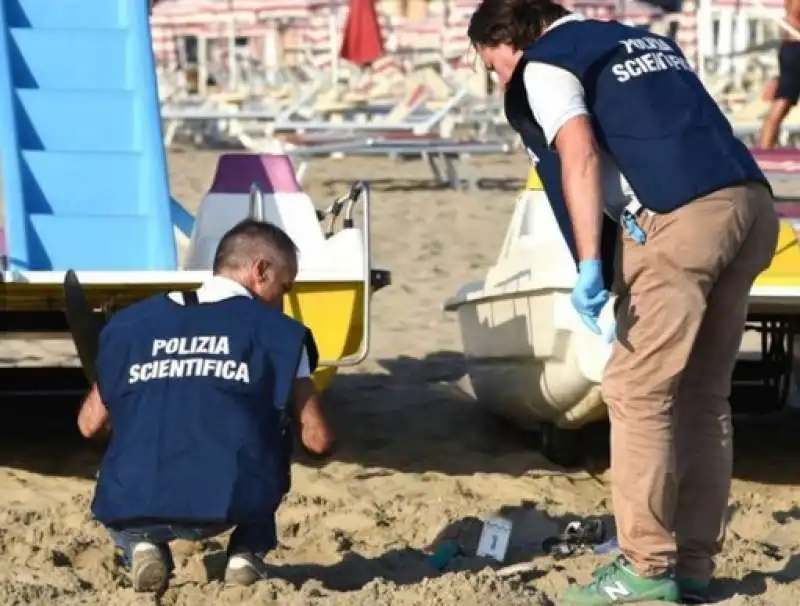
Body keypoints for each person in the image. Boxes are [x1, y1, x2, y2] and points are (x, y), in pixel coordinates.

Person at [467, 1, 780, 604]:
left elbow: (578, 154)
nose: (499, 81)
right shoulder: (638, 41)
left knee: (637, 392)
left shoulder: (545, 63)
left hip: (683, 218)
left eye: (493, 64)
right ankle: (691, 564)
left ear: (507, 37)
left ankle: (645, 567)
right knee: (701, 395)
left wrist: (589, 264)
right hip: (750, 205)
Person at [77, 219, 333, 593]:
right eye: (284, 287)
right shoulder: (278, 333)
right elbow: (318, 439)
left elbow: (88, 425)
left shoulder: (130, 326)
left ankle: (142, 544)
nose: (282, 299)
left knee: (127, 455)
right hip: (232, 499)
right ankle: (246, 551)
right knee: (277, 434)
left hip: (136, 499)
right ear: (260, 270)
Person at [758, 0, 800, 148]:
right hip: (795, 47)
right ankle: (763, 150)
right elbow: (794, 17)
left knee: (783, 104)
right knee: (782, 102)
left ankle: (764, 148)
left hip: (792, 47)